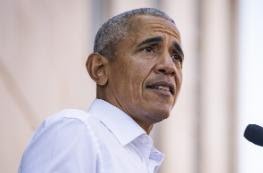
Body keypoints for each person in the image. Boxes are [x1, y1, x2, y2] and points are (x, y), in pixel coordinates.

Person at [19, 7, 184, 173]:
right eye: (149, 49)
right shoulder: (77, 132)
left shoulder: (141, 159)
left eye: (176, 57)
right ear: (99, 69)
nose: (169, 66)